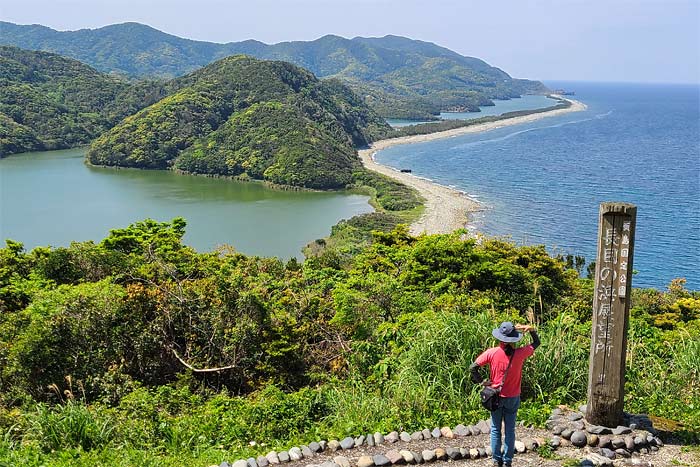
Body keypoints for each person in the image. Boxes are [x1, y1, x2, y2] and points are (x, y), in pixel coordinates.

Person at [470, 322, 540, 467]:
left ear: (500, 338)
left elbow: (473, 368)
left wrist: (482, 382)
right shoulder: (520, 353)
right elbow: (537, 343)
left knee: (495, 429)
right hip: (513, 397)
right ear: (514, 339)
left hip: (494, 397)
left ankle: (497, 460)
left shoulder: (491, 352)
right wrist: (531, 329)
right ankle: (507, 461)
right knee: (510, 430)